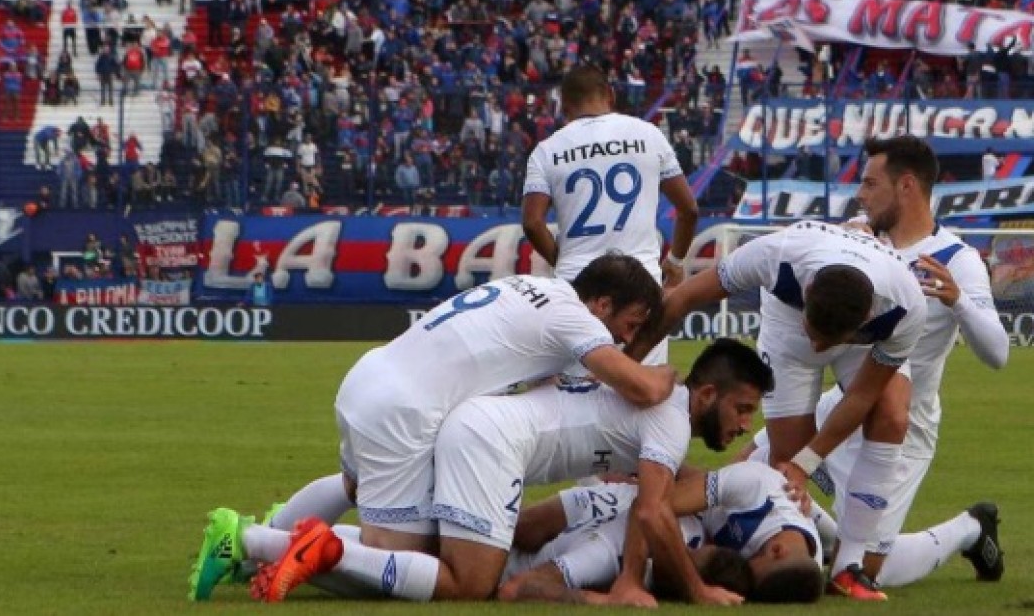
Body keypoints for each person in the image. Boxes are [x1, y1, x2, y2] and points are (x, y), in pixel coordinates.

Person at [188, 253, 676, 601]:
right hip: (404, 413)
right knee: (403, 562)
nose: (626, 338)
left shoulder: (532, 286)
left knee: (354, 488)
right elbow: (642, 388)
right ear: (602, 304)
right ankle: (253, 540)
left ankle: (253, 550)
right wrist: (669, 378)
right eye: (632, 324)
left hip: (371, 377)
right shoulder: (575, 319)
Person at [238, 339, 768, 605]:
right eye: (743, 409)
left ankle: (251, 541)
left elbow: (655, 495)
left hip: (478, 424)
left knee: (423, 555)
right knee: (470, 585)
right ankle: (320, 548)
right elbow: (652, 511)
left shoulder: (656, 402)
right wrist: (698, 593)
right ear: (706, 394)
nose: (746, 424)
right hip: (493, 445)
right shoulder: (669, 421)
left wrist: (630, 577)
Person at [746, 135, 1008, 590]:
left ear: (906, 186)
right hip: (844, 404)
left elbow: (998, 353)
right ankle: (828, 537)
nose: (860, 195)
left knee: (869, 569)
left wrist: (959, 300)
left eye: (870, 184)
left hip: (902, 426)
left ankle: (970, 528)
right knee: (756, 473)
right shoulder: (857, 238)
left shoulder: (957, 260)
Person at [630, 218, 927, 599]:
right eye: (815, 334)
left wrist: (809, 463)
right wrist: (626, 367)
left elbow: (861, 396)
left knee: (892, 417)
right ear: (808, 291)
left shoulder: (906, 306)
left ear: (867, 317)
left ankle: (849, 567)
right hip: (787, 328)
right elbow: (682, 298)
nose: (818, 347)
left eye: (827, 341)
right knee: (785, 464)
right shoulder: (779, 253)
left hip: (862, 342)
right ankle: (756, 516)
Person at [522, 65, 698, 367]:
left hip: (578, 286)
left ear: (565, 107)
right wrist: (675, 261)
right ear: (611, 94)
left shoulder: (547, 151)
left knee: (575, 388)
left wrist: (561, 260)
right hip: (641, 285)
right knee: (642, 388)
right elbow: (689, 209)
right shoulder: (648, 135)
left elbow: (532, 222)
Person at [500, 462, 823, 604]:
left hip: (634, 517)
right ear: (777, 550)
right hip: (628, 507)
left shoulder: (800, 569)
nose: (747, 570)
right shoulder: (759, 487)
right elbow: (652, 504)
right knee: (524, 528)